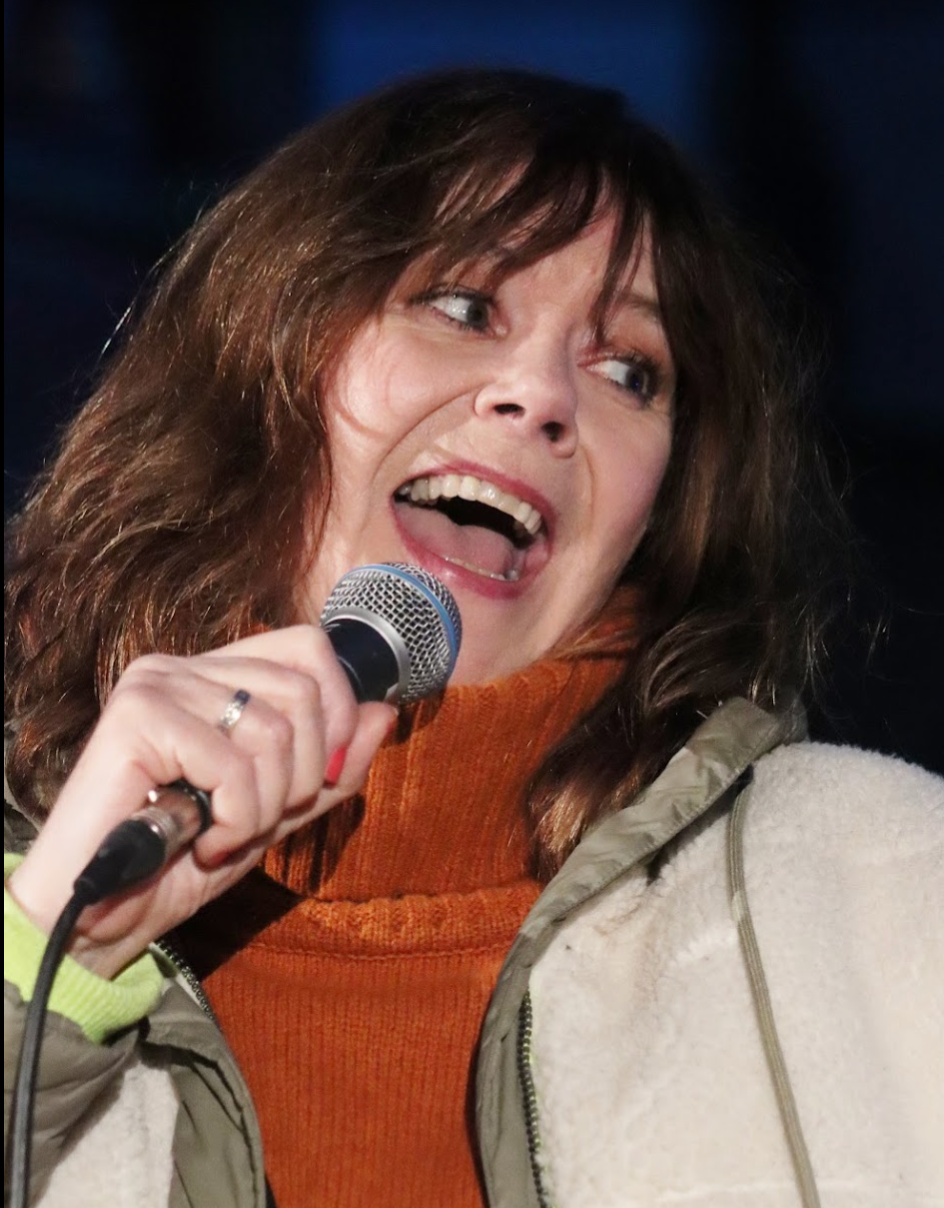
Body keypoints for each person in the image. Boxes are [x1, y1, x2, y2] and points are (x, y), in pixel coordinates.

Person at [3, 68, 941, 1208]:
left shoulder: (887, 884)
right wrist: (49, 960)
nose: (541, 394)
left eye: (627, 370)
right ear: (261, 349)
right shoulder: (48, 884)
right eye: (462, 306)